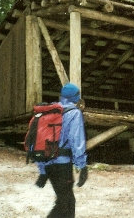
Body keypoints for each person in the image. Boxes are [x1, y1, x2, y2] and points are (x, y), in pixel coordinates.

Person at [35, 82, 88, 218]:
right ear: (76, 97)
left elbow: (39, 140)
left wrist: (43, 171)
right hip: (62, 165)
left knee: (66, 202)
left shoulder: (50, 111)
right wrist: (82, 166)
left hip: (48, 164)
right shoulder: (74, 113)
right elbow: (77, 141)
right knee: (65, 204)